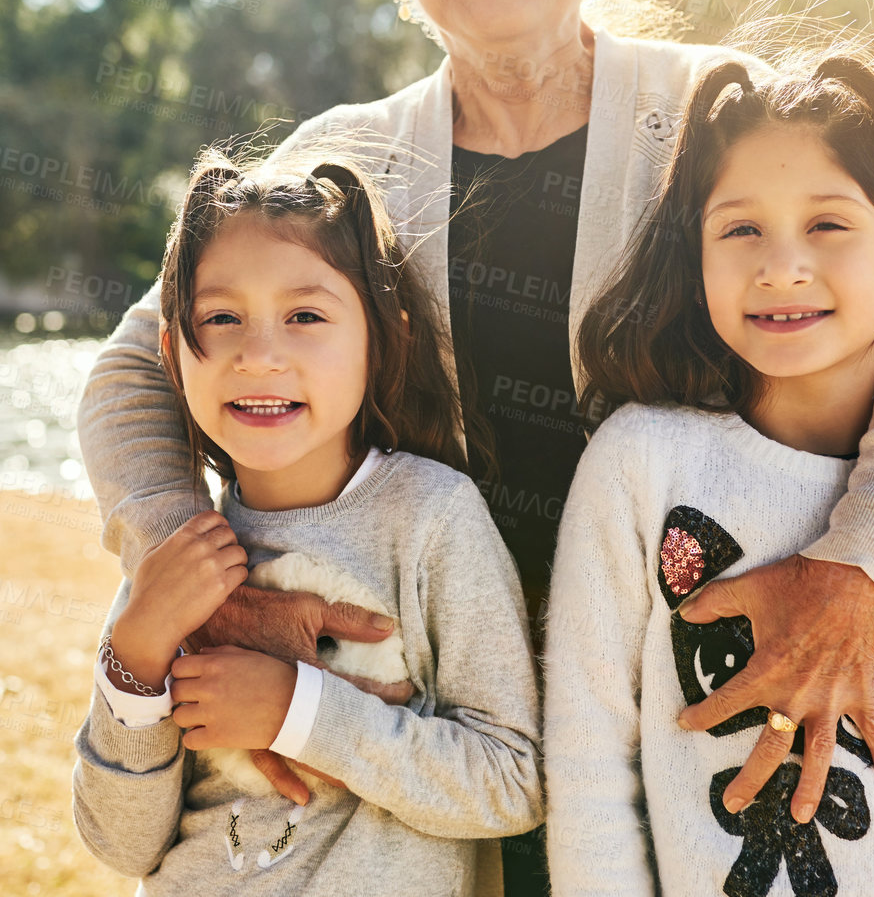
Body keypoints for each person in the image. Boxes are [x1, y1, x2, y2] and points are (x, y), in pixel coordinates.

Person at [76, 0, 874, 894]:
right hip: (430, 722)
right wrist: (201, 574)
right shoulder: (347, 164)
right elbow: (135, 373)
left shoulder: (717, 112)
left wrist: (861, 567)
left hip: (693, 704)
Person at [543, 48, 874, 896]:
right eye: (740, 227)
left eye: (828, 224)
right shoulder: (639, 465)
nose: (781, 264)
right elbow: (587, 765)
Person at [72, 149, 542, 895]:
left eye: (306, 316)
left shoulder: (430, 518)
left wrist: (300, 711)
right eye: (221, 317)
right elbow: (122, 842)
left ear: (385, 337)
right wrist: (133, 654)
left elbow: (512, 783)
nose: (260, 355)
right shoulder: (182, 559)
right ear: (172, 354)